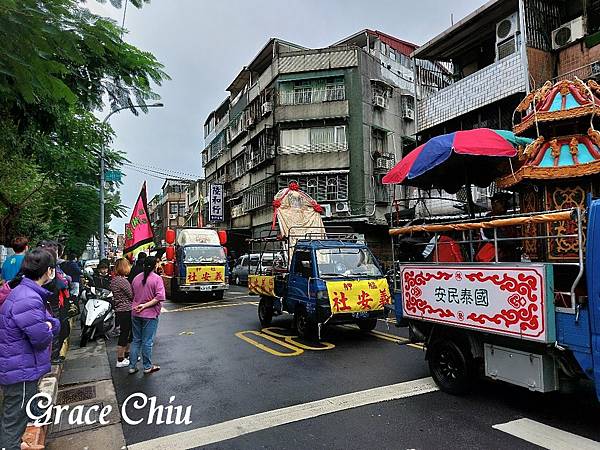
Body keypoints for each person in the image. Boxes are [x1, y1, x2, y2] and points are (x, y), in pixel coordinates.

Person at [0, 248, 60, 450]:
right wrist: (52, 326)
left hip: (19, 364)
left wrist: (50, 324)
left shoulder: (24, 293)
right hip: (21, 368)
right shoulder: (29, 298)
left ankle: (17, 443)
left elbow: (42, 324)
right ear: (48, 271)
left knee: (19, 413)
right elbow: (41, 337)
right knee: (14, 418)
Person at [129, 256, 165, 375]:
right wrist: (145, 305)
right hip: (150, 314)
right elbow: (159, 297)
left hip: (135, 313)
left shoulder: (136, 279)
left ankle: (132, 366)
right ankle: (147, 366)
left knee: (136, 340)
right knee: (147, 341)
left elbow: (132, 295)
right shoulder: (157, 279)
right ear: (155, 265)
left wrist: (141, 305)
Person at [39, 241, 72, 363]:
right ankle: (53, 356)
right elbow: (63, 282)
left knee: (60, 327)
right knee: (56, 327)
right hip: (53, 303)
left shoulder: (56, 267)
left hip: (56, 302)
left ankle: (53, 354)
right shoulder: (48, 268)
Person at [111, 258, 133, 368]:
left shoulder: (115, 280)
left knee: (127, 333)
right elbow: (131, 294)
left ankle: (126, 356)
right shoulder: (122, 281)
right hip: (126, 309)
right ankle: (120, 359)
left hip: (120, 309)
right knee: (125, 334)